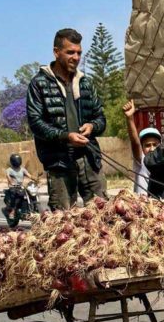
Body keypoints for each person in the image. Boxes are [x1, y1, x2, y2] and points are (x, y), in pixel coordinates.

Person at [26, 27, 107, 210]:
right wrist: (65, 136)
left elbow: (101, 118)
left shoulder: (86, 82)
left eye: (79, 53)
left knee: (103, 215)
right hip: (60, 163)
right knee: (63, 219)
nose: (76, 57)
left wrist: (92, 126)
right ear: (56, 52)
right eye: (70, 52)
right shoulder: (39, 84)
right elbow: (36, 123)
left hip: (89, 159)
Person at [123, 99, 164, 198]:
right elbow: (135, 142)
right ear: (142, 148)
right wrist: (130, 118)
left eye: (155, 145)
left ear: (160, 145)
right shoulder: (142, 161)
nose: (152, 148)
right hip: (141, 208)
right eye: (147, 145)